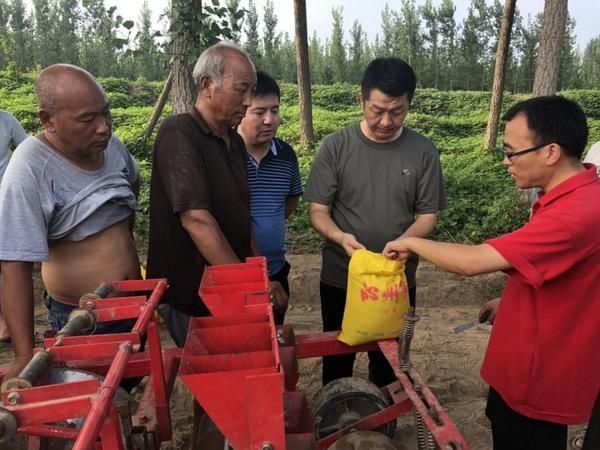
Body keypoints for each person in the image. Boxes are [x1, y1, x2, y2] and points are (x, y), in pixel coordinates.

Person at [382, 95, 600, 450]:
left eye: (512, 152)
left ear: (551, 152)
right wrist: (510, 299)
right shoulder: (569, 195)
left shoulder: (575, 213)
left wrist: (412, 243)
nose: (505, 161)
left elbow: (472, 262)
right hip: (523, 357)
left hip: (539, 376)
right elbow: (564, 275)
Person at [303, 57, 447, 387]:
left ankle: (383, 426)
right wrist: (340, 238)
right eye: (377, 110)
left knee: (389, 361)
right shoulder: (336, 147)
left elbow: (427, 215)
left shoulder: (423, 152)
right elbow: (318, 211)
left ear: (410, 103)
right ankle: (339, 418)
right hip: (342, 277)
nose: (386, 120)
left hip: (396, 279)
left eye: (397, 111)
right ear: (362, 100)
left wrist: (405, 244)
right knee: (337, 357)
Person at [146, 42, 256, 449]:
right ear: (208, 84)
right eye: (241, 90)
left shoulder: (233, 142)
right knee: (221, 387)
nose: (248, 101)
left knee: (221, 389)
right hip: (195, 293)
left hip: (227, 289)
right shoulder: (179, 132)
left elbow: (241, 218)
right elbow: (195, 217)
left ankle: (209, 438)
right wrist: (245, 285)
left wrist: (257, 271)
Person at [0, 64, 141, 381]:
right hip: (82, 318)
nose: (103, 127)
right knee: (90, 399)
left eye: (106, 114)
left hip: (133, 305)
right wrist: (24, 353)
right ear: (47, 120)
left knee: (127, 387)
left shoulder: (111, 145)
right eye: (87, 119)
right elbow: (14, 264)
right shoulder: (30, 168)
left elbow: (131, 186)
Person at [237, 71, 303, 325]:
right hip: (237, 275)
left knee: (274, 336)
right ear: (241, 110)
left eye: (274, 110)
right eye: (259, 112)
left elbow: (291, 200)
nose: (269, 120)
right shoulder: (226, 155)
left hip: (277, 268)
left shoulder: (286, 155)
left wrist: (267, 220)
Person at [0, 110, 27, 344]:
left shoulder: (7, 120)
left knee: (7, 262)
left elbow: (27, 150)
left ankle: (6, 325)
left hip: (6, 201)